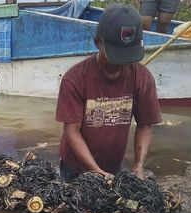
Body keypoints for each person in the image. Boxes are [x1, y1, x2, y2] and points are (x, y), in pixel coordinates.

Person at [55, 4, 162, 182]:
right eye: (116, 55)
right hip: (74, 168)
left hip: (113, 166)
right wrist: (96, 170)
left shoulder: (142, 78)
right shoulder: (74, 79)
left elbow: (145, 124)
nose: (122, 63)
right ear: (98, 43)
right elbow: (72, 132)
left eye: (127, 55)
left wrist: (138, 165)